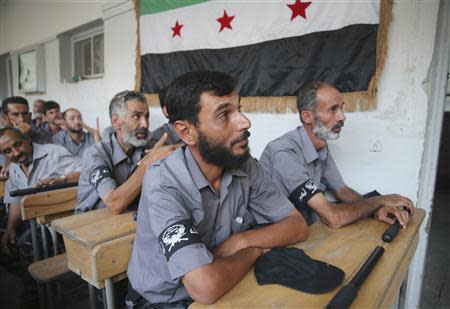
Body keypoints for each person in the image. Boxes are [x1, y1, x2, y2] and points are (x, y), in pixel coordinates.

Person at [126, 71, 307, 308]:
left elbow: (297, 226)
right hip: (166, 301)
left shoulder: (244, 164)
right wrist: (253, 251)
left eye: (239, 109)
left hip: (229, 282)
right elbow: (205, 287)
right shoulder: (164, 182)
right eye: (224, 114)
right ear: (186, 132)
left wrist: (240, 241)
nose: (245, 122)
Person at [259, 82, 414, 229]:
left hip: (301, 227)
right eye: (332, 110)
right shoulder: (284, 152)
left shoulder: (320, 146)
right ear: (308, 117)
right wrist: (380, 200)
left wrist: (378, 209)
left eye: (341, 108)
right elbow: (334, 218)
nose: (342, 117)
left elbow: (342, 190)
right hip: (271, 233)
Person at [76, 90, 179, 214]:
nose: (145, 124)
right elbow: (114, 203)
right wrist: (148, 163)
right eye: (136, 116)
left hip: (128, 220)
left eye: (147, 116)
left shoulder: (144, 144)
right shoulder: (95, 154)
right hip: (88, 226)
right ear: (116, 121)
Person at [0, 127, 81, 255]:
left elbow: (86, 172)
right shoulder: (14, 168)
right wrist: (11, 228)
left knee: (27, 243)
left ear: (26, 139)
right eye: (7, 151)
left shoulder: (54, 152)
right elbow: (16, 200)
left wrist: (62, 179)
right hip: (34, 219)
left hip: (60, 221)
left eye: (18, 144)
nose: (16, 153)